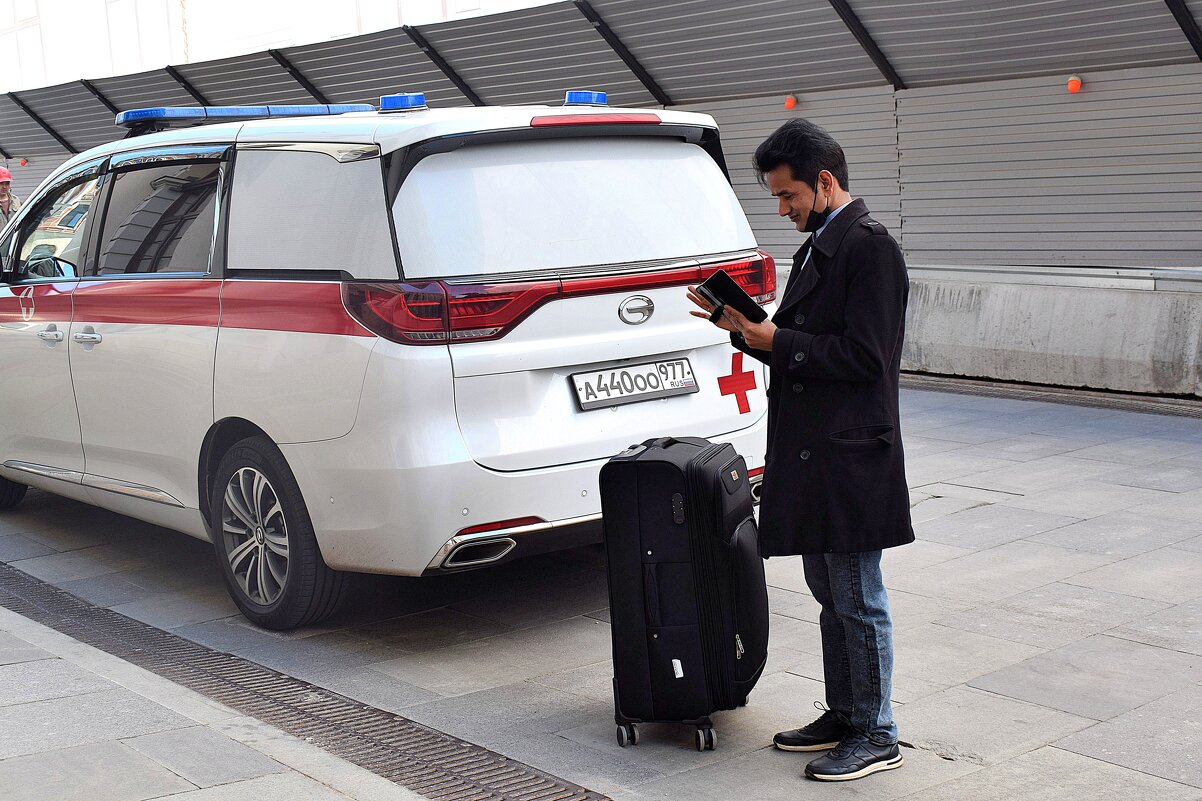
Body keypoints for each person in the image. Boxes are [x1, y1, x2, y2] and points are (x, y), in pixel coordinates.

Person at [687, 118, 913, 782]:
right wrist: (746, 329)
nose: (782, 211)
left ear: (824, 181)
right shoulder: (819, 248)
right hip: (816, 452)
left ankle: (878, 730)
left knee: (857, 592)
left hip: (850, 454)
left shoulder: (871, 250)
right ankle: (845, 712)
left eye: (788, 197)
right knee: (829, 590)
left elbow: (869, 358)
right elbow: (793, 336)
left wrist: (774, 342)